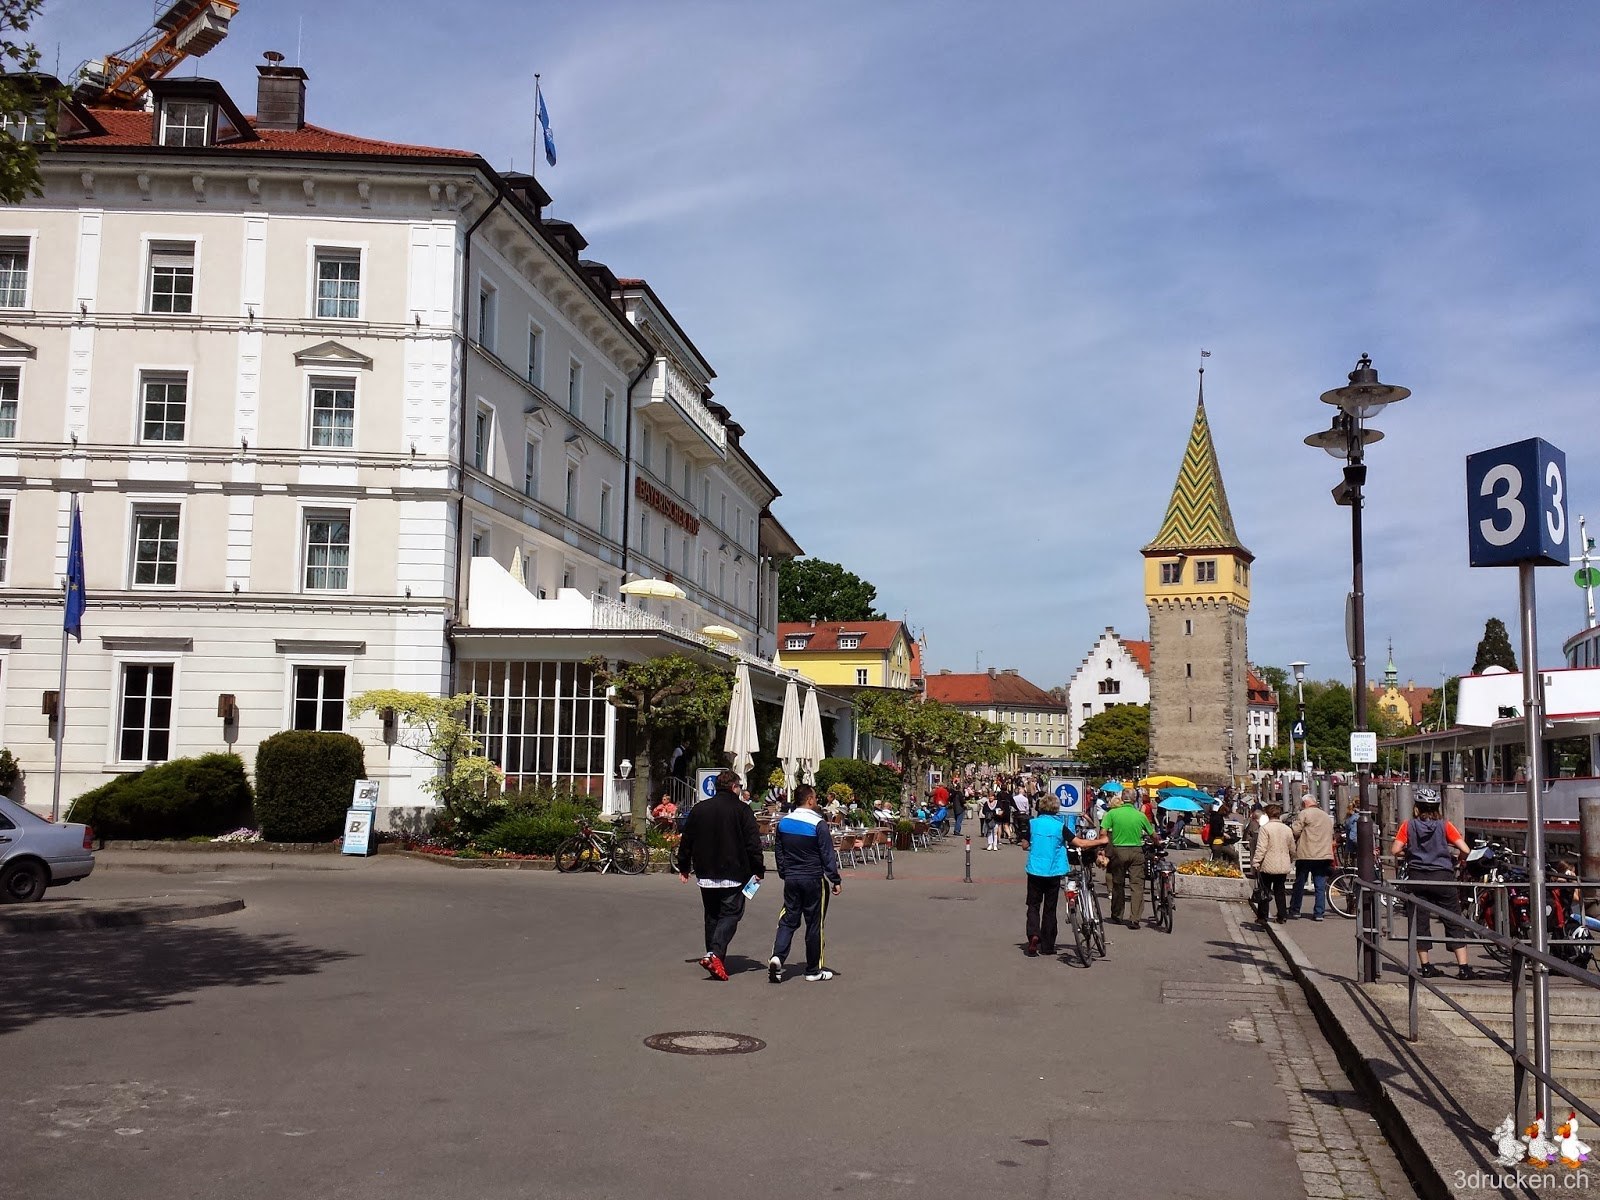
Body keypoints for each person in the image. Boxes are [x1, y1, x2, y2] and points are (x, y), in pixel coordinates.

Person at [676, 769, 766, 981]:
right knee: (732, 914)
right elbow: (753, 843)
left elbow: (686, 839)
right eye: (739, 787)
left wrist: (683, 866)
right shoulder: (742, 810)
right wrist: (758, 868)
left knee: (712, 914)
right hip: (734, 870)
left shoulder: (700, 809)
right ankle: (715, 953)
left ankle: (714, 957)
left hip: (706, 870)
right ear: (734, 787)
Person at [1392, 789, 1477, 980]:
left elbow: (1395, 850)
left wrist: (1410, 854)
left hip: (1417, 878)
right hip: (1442, 877)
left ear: (1416, 807)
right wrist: (1457, 858)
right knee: (1453, 919)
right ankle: (1464, 968)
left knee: (1419, 920)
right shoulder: (1444, 825)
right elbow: (1465, 849)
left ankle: (1426, 966)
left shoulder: (1408, 826)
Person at [767, 784, 842, 983]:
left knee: (788, 919)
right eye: (815, 798)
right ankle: (812, 970)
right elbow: (827, 855)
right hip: (813, 878)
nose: (816, 801)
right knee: (814, 923)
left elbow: (779, 852)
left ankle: (778, 956)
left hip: (791, 877)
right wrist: (835, 879)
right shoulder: (818, 824)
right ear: (809, 800)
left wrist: (784, 872)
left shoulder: (784, 823)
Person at [1022, 795, 1076, 956]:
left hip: (1035, 870)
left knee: (1033, 905)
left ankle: (1033, 935)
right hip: (1053, 871)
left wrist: (1031, 844)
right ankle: (1047, 945)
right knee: (1050, 908)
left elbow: (1025, 844)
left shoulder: (1033, 823)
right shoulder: (1059, 826)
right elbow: (1076, 842)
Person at [1102, 794, 1156, 930]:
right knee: (1137, 886)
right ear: (1134, 800)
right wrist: (1157, 842)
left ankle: (1117, 914)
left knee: (1118, 883)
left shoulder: (1112, 813)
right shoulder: (1139, 815)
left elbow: (1103, 833)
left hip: (1118, 851)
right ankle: (1135, 919)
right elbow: (1152, 834)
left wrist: (1102, 849)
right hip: (1136, 850)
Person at [1289, 793, 1335, 920]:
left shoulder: (1304, 814)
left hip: (1306, 854)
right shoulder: (1326, 816)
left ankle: (1295, 910)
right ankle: (1319, 912)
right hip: (1323, 855)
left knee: (1299, 883)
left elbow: (1295, 831)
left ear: (1305, 803)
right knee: (1320, 885)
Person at [1251, 803, 1295, 924]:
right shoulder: (1287, 829)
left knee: (1264, 890)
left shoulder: (1265, 828)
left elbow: (1261, 848)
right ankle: (1282, 915)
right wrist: (1291, 859)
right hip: (1282, 864)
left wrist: (1256, 862)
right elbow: (1292, 847)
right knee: (1280, 890)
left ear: (1267, 814)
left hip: (1268, 864)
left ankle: (1262, 916)